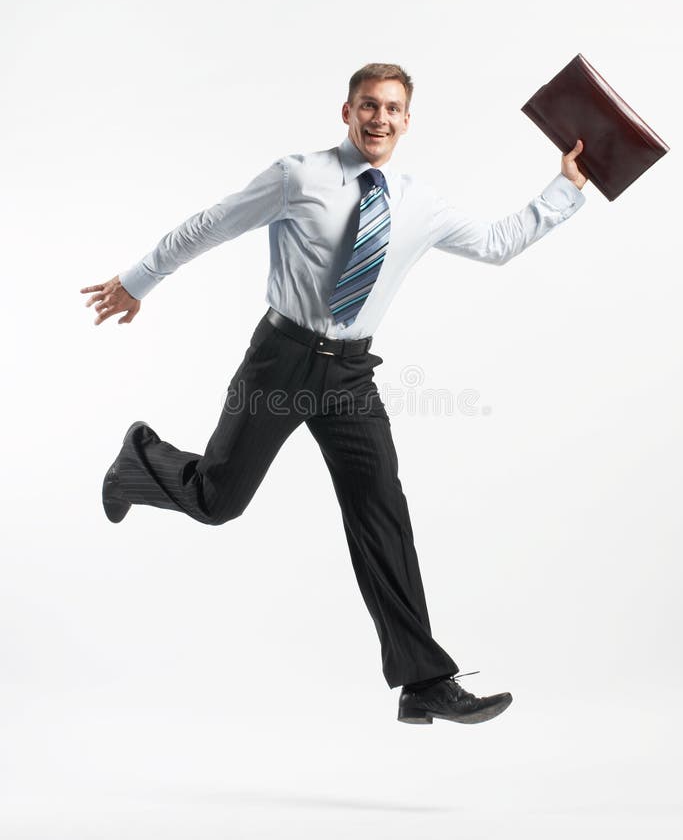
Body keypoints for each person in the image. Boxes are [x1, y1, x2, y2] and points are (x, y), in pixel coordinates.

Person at [80, 63, 587, 726]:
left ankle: (425, 681)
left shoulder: (418, 203)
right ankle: (138, 460)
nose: (379, 119)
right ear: (346, 112)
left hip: (351, 376)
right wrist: (138, 280)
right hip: (281, 362)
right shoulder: (299, 176)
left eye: (392, 109)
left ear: (408, 120)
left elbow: (496, 243)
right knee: (217, 499)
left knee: (382, 510)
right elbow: (210, 225)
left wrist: (565, 188)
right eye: (368, 106)